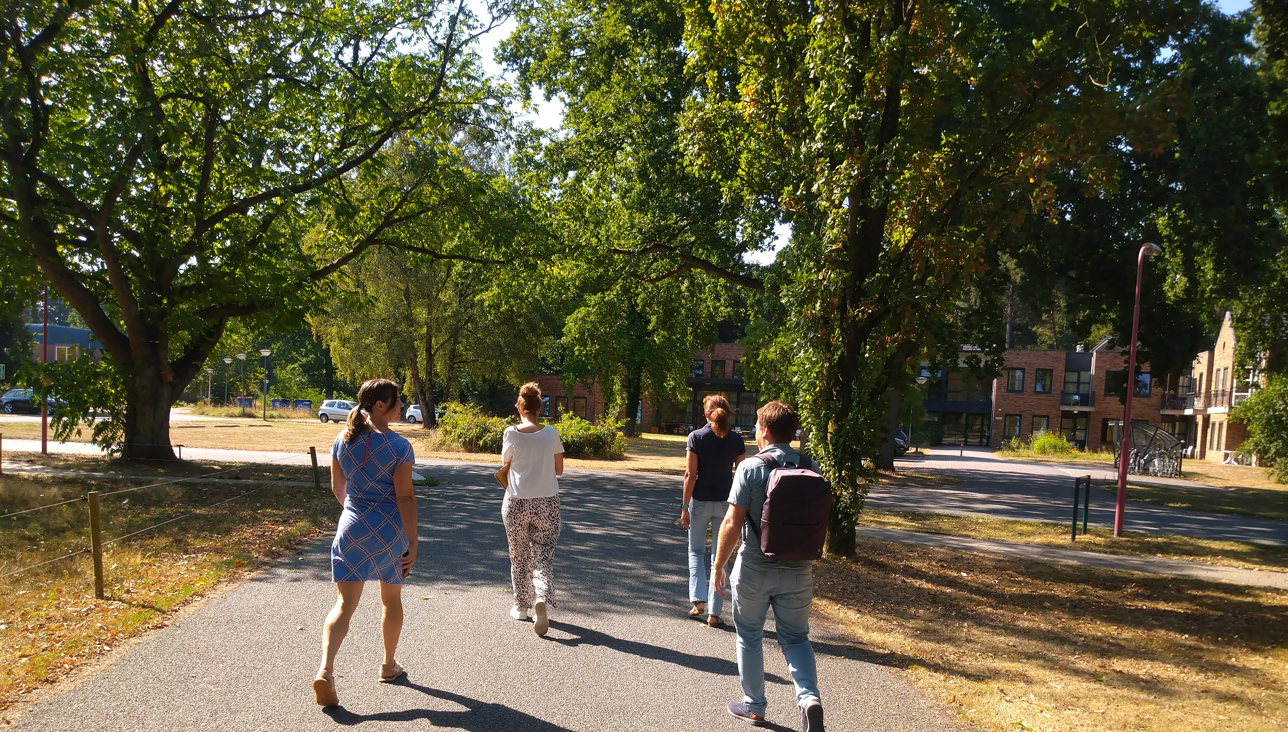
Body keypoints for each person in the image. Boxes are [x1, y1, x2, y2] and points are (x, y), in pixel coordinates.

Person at [714, 401, 824, 731]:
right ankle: (809, 699)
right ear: (792, 432)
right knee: (796, 638)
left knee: (749, 636)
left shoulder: (750, 468)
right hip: (799, 569)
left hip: (755, 567)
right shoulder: (812, 466)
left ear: (764, 430)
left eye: (757, 427)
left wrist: (718, 565)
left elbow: (732, 522)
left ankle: (754, 706)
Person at [313, 379, 417, 708]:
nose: (402, 405)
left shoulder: (341, 440)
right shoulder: (400, 446)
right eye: (397, 400)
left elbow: (337, 488)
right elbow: (404, 496)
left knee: (344, 604)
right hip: (390, 532)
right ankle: (388, 665)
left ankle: (325, 670)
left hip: (351, 528)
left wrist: (356, 514)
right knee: (391, 599)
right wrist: (413, 540)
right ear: (380, 405)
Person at [500, 382, 565, 637]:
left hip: (516, 501)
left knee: (519, 556)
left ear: (519, 408)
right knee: (543, 555)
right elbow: (559, 470)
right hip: (547, 501)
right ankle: (541, 596)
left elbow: (505, 462)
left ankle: (521, 606)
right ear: (540, 409)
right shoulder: (551, 433)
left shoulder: (511, 433)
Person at [679, 394, 746, 627]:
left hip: (699, 501)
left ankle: (698, 601)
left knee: (695, 551)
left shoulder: (696, 437)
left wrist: (684, 506)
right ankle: (714, 614)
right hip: (726, 503)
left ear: (706, 414)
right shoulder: (736, 440)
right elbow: (741, 476)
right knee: (721, 556)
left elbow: (690, 475)